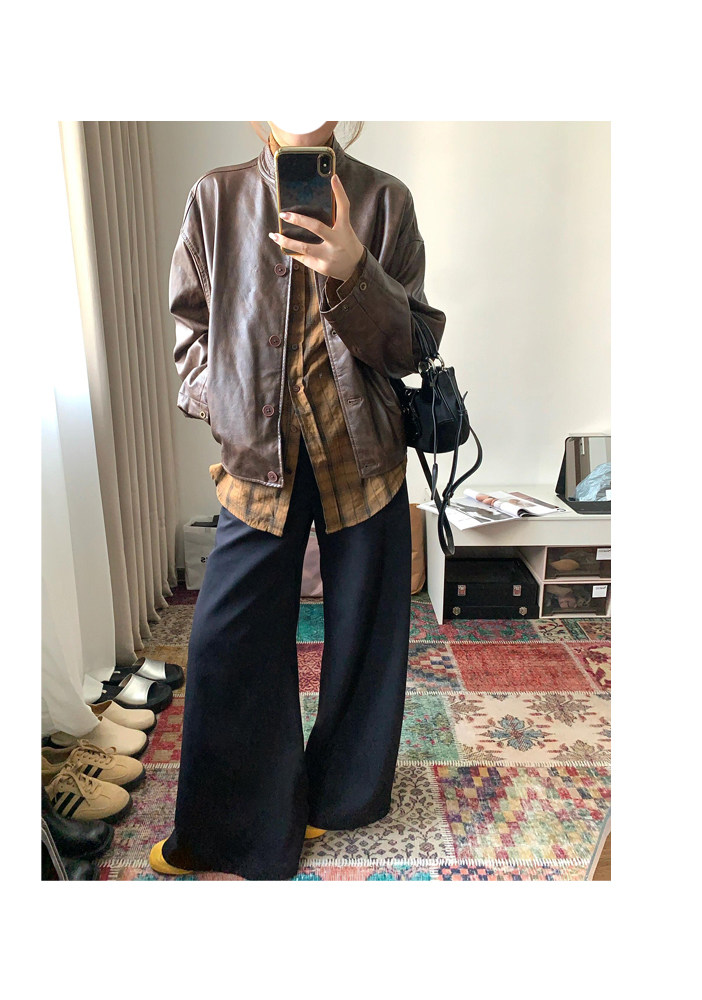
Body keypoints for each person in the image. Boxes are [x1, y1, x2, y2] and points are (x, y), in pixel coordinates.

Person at [150, 121, 446, 880]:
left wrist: (354, 270)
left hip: (365, 456)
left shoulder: (385, 200)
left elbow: (413, 346)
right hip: (259, 457)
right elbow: (192, 330)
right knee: (227, 640)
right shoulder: (216, 198)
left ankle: (340, 797)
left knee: (366, 638)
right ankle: (232, 830)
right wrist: (223, 405)